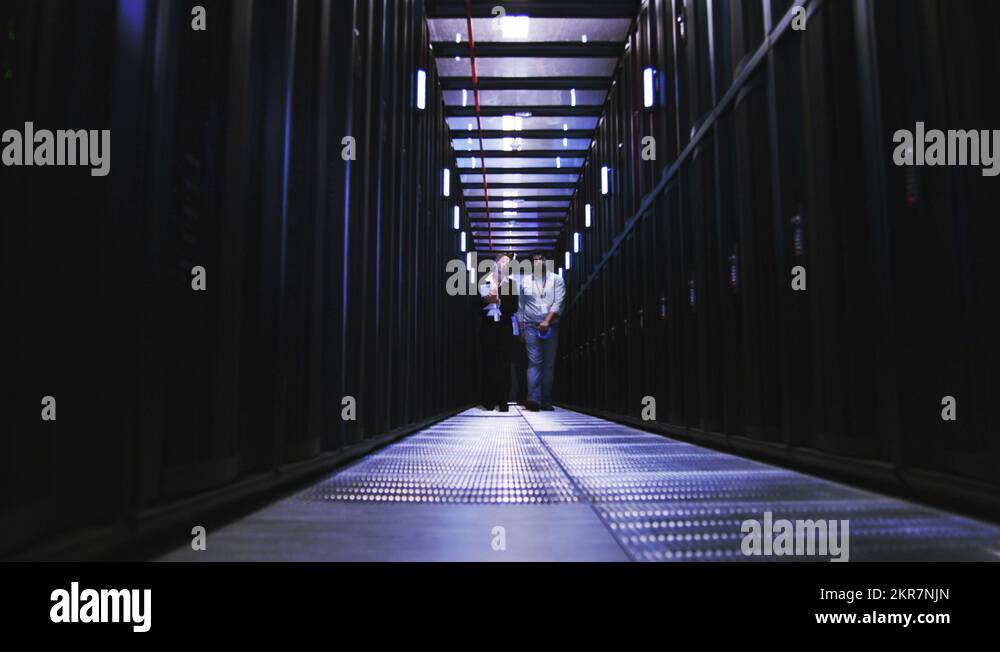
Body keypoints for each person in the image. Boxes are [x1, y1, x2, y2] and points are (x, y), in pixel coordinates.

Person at [518, 251, 565, 411]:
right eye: (534, 259)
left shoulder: (557, 279)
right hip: (531, 326)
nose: (537, 261)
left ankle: (546, 400)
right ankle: (533, 399)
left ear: (546, 261)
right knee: (534, 363)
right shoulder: (525, 281)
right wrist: (521, 330)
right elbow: (521, 307)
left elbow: (559, 302)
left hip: (551, 325)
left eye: (540, 258)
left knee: (549, 364)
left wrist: (547, 321)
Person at [478, 252, 520, 411]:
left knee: (504, 364)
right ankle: (488, 401)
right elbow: (473, 306)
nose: (505, 265)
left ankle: (503, 401)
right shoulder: (484, 281)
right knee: (489, 363)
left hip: (504, 328)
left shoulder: (511, 284)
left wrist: (499, 301)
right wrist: (485, 301)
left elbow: (514, 307)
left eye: (508, 263)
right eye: (502, 262)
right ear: (495, 263)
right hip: (488, 327)